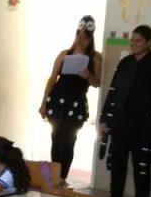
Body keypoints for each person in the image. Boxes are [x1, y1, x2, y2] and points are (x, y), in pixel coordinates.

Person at [99, 26, 151, 197]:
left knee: (141, 166)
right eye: (132, 40)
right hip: (119, 122)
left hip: (143, 124)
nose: (133, 43)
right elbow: (113, 92)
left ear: (148, 43)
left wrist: (146, 97)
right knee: (117, 163)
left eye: (138, 40)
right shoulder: (125, 62)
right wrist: (104, 118)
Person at [39, 15, 103, 186]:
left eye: (85, 37)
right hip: (58, 100)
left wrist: (88, 75)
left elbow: (97, 83)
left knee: (69, 139)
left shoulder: (96, 57)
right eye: (79, 35)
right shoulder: (64, 54)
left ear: (91, 38)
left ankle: (62, 177)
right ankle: (55, 176)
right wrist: (43, 103)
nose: (81, 40)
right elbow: (52, 79)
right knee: (56, 138)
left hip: (76, 103)